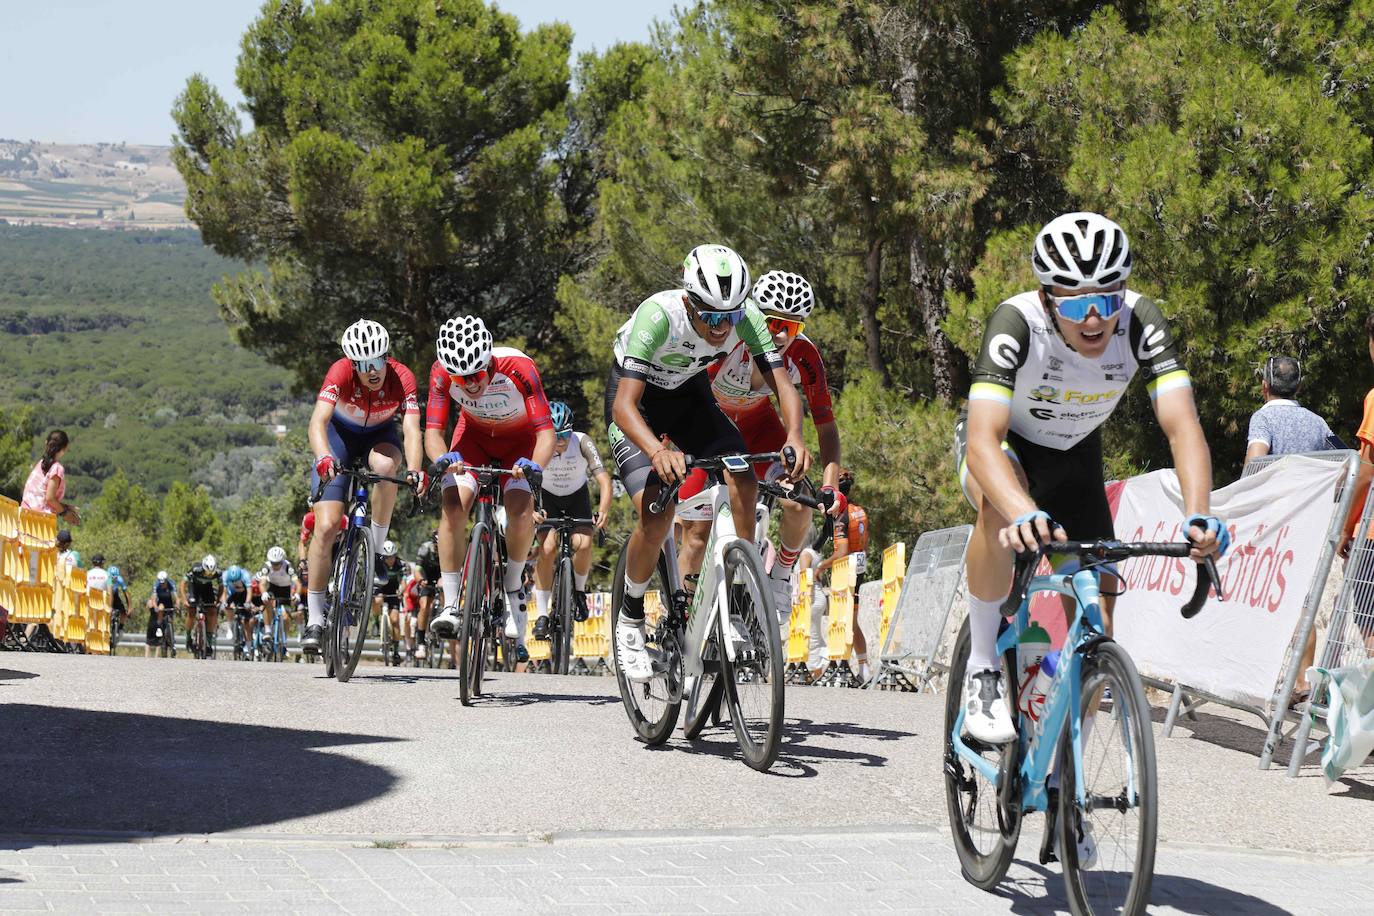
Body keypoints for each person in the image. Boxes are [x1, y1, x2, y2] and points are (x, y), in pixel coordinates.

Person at [959, 211, 1227, 745]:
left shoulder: (1141, 321)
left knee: (1098, 615)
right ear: (1046, 298)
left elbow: (1183, 427)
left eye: (1106, 300)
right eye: (1076, 303)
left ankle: (1067, 792)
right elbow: (982, 440)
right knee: (996, 509)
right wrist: (1020, 510)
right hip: (1007, 450)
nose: (1093, 320)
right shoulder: (1015, 322)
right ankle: (984, 665)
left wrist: (1200, 514)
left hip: (1076, 457)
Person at [607, 243, 812, 682]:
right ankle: (630, 617)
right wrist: (658, 450)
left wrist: (795, 435)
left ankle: (738, 588)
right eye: (713, 317)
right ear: (690, 301)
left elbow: (782, 384)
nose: (723, 328)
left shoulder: (746, 319)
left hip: (688, 398)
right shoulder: (660, 316)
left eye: (731, 317)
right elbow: (624, 405)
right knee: (657, 510)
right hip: (637, 404)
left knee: (741, 470)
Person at [679, 269, 845, 617]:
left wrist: (830, 487)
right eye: (774, 324)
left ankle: (781, 575)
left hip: (759, 426)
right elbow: (684, 394)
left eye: (794, 327)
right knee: (695, 532)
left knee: (800, 502)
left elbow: (826, 428)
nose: (783, 335)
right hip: (707, 425)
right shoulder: (727, 338)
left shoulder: (804, 356)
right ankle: (683, 615)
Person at [424, 315, 556, 668]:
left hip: (520, 443)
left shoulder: (520, 369)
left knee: (519, 510)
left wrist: (534, 468)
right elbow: (433, 433)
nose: (468, 385)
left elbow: (546, 434)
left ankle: (512, 585)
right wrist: (442, 460)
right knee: (452, 507)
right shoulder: (440, 373)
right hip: (473, 441)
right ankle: (452, 603)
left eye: (476, 376)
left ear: (488, 363)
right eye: (459, 378)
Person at [304, 319, 424, 654]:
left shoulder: (402, 378)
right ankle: (314, 618)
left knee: (387, 468)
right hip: (339, 438)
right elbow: (318, 422)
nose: (373, 371)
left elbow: (413, 429)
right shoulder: (340, 372)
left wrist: (416, 470)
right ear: (353, 364)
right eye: (365, 365)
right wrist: (324, 457)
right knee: (326, 527)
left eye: (379, 362)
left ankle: (374, 546)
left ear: (387, 356)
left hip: (378, 437)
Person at [532, 401, 612, 640]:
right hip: (548, 498)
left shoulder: (582, 441)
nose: (560, 441)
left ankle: (578, 592)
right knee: (547, 548)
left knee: (584, 544)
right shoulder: (536, 442)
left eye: (564, 435)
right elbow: (524, 480)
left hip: (577, 496)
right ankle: (543, 613)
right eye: (555, 435)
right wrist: (531, 509)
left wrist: (604, 510)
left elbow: (605, 480)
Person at [809, 470, 871, 680]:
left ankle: (845, 667)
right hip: (860, 567)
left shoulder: (841, 515)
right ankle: (863, 667)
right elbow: (866, 544)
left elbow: (842, 551)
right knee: (852, 620)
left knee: (844, 621)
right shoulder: (859, 510)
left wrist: (821, 567)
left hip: (847, 570)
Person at [1244, 356, 1336, 462]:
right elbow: (1345, 454)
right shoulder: (1319, 422)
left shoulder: (1263, 418)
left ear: (1264, 386)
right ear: (1299, 387)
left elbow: (1254, 462)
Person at [21, 429, 80, 526]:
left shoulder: (41, 464)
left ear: (46, 444)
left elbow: (40, 495)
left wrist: (64, 507)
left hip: (24, 515)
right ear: (65, 449)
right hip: (38, 522)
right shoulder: (57, 469)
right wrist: (65, 513)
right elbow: (50, 498)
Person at [181, 555, 224, 657]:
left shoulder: (218, 572)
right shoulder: (196, 569)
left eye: (211, 574)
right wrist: (183, 599)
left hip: (207, 589)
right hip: (194, 588)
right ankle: (188, 637)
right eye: (207, 573)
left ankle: (208, 642)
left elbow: (221, 586)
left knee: (212, 611)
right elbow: (183, 584)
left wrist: (218, 600)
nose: (209, 575)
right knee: (191, 612)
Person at [258, 546, 298, 651]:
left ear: (282, 561)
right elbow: (262, 583)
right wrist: (264, 593)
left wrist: (297, 594)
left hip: (285, 590)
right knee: (267, 602)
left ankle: (284, 640)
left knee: (285, 618)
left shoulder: (288, 566)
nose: (275, 566)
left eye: (278, 563)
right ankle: (268, 630)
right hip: (273, 588)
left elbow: (297, 583)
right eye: (273, 563)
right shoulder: (266, 566)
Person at [373, 540, 406, 664]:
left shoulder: (400, 564)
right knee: (377, 600)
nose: (391, 559)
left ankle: (396, 652)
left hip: (393, 591)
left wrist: (401, 589)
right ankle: (376, 623)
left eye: (393, 556)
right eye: (388, 557)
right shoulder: (379, 564)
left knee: (395, 621)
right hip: (380, 588)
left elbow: (403, 580)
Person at [414, 531, 441, 660]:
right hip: (426, 577)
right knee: (424, 606)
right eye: (437, 545)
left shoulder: (450, 547)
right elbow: (417, 569)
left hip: (441, 576)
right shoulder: (425, 548)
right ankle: (420, 643)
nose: (438, 548)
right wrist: (420, 580)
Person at [146, 570, 178, 658]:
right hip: (161, 603)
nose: (162, 584)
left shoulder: (171, 584)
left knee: (171, 620)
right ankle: (159, 626)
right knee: (160, 608)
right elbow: (153, 598)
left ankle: (171, 637)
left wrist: (177, 604)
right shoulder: (156, 585)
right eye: (161, 583)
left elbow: (176, 596)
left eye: (164, 583)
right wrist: (155, 606)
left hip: (169, 603)